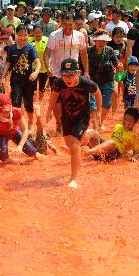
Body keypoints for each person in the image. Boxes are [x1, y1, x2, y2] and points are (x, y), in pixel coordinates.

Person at [46, 58, 99, 188]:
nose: (67, 78)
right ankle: (88, 136)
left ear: (78, 73)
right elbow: (54, 94)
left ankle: (73, 179)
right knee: (70, 143)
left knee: (74, 147)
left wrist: (98, 111)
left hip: (82, 117)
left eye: (70, 75)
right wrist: (49, 110)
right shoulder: (59, 83)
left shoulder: (86, 83)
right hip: (67, 116)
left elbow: (98, 93)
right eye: (64, 75)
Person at [0, 93, 40, 168]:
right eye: (2, 111)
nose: (5, 113)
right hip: (1, 135)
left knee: (34, 153)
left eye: (7, 110)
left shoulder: (16, 111)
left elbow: (25, 130)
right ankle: (11, 160)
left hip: (14, 131)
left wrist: (20, 145)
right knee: (4, 158)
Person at [4, 24, 41, 129]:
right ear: (16, 36)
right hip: (16, 80)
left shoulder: (30, 48)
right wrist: (3, 76)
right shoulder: (12, 49)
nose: (23, 37)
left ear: (28, 36)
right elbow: (8, 63)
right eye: (20, 35)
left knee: (29, 104)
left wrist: (36, 72)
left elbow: (38, 63)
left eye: (25, 35)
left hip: (29, 80)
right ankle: (17, 125)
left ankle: (30, 121)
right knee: (16, 103)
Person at [87, 31, 119, 131]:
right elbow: (83, 64)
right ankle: (95, 126)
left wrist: (119, 66)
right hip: (93, 79)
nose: (101, 43)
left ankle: (100, 122)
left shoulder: (110, 50)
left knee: (106, 104)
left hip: (108, 79)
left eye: (103, 41)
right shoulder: (89, 51)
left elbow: (116, 62)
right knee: (93, 102)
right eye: (99, 41)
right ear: (95, 41)